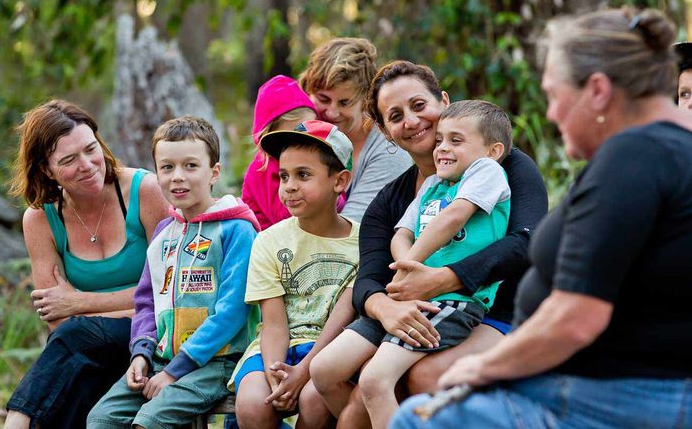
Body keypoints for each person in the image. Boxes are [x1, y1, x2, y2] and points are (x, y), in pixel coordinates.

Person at [392, 8, 692, 429]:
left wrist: (482, 368)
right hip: (673, 381)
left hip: (661, 391)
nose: (550, 114)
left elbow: (576, 318)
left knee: (417, 419)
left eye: (554, 95)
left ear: (597, 90)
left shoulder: (637, 156)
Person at [309, 61, 548, 427]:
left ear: (444, 101)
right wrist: (386, 308)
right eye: (396, 116)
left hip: (498, 310)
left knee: (415, 379)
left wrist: (441, 277)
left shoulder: (503, 165)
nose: (411, 121)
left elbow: (526, 244)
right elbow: (370, 276)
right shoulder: (392, 201)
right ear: (387, 132)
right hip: (414, 306)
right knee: (329, 392)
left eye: (419, 106)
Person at [86, 116, 259, 428]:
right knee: (100, 420)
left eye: (190, 166)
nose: (178, 177)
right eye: (167, 167)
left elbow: (232, 311)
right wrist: (141, 354)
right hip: (160, 360)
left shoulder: (236, 230)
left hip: (215, 363)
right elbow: (147, 302)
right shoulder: (165, 233)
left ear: (214, 173)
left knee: (150, 422)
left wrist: (174, 371)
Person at [4, 100, 169, 429]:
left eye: (90, 149)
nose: (88, 164)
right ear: (47, 170)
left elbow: (169, 296)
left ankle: (16, 421)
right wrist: (123, 303)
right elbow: (57, 319)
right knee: (75, 382)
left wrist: (81, 302)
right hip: (91, 352)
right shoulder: (41, 220)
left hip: (153, 340)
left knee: (77, 336)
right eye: (68, 160)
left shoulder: (145, 191)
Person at [350, 100, 513, 429]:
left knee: (373, 381)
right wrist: (406, 268)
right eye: (440, 140)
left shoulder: (487, 171)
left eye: (455, 141)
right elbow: (400, 234)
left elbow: (453, 217)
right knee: (327, 371)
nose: (441, 148)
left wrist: (410, 265)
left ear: (493, 150)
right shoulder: (433, 185)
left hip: (456, 302)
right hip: (415, 296)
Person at [233, 120, 360, 429]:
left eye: (303, 175)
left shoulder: (364, 243)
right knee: (253, 405)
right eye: (283, 176)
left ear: (339, 181)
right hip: (278, 346)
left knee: (314, 399)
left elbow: (349, 319)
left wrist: (304, 370)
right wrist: (275, 374)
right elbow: (274, 323)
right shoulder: (268, 241)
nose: (289, 186)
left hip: (334, 349)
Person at [299, 38, 413, 221]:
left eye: (345, 102)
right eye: (323, 99)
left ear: (365, 101)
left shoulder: (388, 150)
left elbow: (356, 227)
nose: (331, 112)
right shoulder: (298, 135)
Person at [243, 75, 346, 230]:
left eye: (309, 131)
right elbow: (288, 218)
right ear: (270, 135)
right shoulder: (260, 172)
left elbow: (339, 196)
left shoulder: (320, 157)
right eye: (292, 137)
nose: (302, 141)